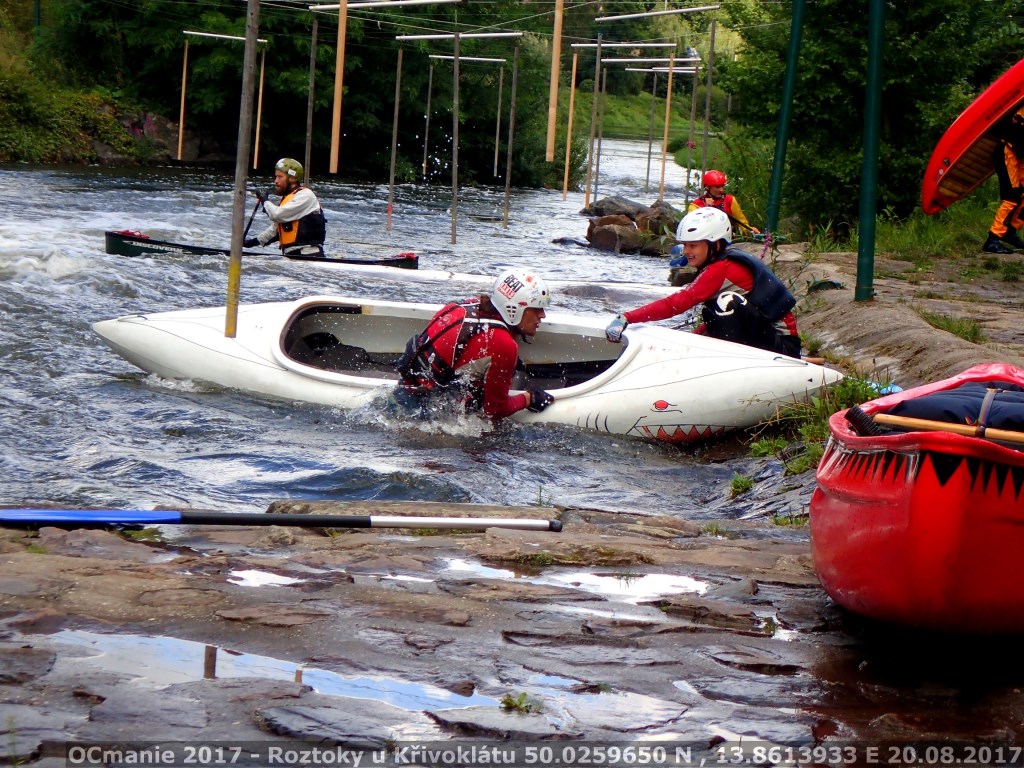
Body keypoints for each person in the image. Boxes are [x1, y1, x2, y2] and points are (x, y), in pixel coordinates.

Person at [606, 207, 801, 358]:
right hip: (767, 337)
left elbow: (676, 304)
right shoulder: (721, 262)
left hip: (784, 348)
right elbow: (717, 320)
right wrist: (692, 339)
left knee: (726, 302)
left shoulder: (720, 269)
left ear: (715, 244)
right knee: (713, 308)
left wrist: (627, 317)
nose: (686, 251)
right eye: (684, 245)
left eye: (693, 245)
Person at [393, 269, 556, 420]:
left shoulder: (459, 307)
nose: (543, 315)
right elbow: (494, 411)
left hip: (406, 393)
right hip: (425, 414)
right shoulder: (504, 345)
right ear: (514, 309)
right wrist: (528, 399)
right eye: (537, 309)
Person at [244, 158, 327, 257]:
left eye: (280, 177)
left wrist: (264, 200)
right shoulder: (288, 199)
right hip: (292, 256)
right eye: (276, 177)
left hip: (309, 255)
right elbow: (274, 231)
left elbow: (276, 214)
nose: (276, 181)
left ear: (292, 178)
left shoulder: (305, 195)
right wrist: (250, 243)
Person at [983, 107, 1024, 254]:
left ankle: (1009, 232)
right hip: (1008, 152)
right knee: (1012, 197)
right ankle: (992, 240)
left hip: (1019, 155)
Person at [688, 169, 761, 236]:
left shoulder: (730, 200)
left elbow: (742, 222)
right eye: (717, 187)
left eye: (722, 186)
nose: (721, 190)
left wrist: (750, 231)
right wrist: (706, 209)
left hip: (727, 243)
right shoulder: (696, 206)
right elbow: (692, 229)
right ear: (707, 187)